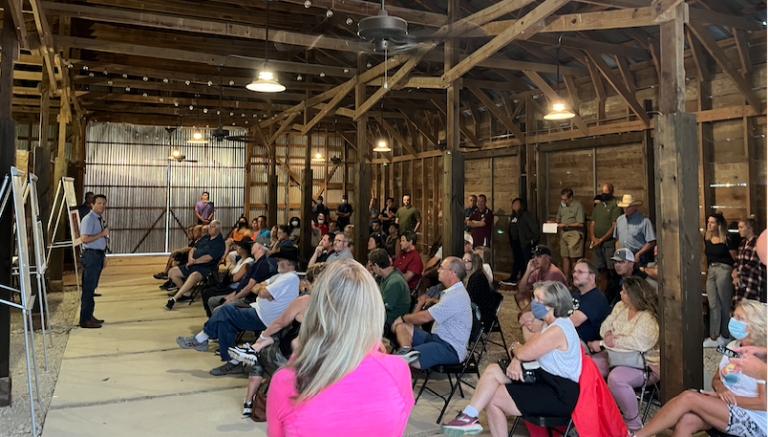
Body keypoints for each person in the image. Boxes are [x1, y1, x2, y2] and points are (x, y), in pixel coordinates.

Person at [266, 260, 415, 437]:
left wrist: (299, 355)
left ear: (316, 309)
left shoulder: (286, 380)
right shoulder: (398, 370)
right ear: (373, 308)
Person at [441, 281, 582, 436]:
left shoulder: (558, 329)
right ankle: (469, 416)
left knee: (493, 397)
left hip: (559, 392)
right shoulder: (548, 324)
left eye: (538, 300)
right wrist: (517, 359)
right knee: (493, 370)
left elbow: (524, 352)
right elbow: (528, 348)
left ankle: (469, 418)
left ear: (553, 304)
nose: (533, 303)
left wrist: (516, 348)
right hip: (544, 378)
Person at [632, 299, 766, 437]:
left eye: (740, 318)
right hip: (725, 406)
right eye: (734, 316)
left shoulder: (762, 357)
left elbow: (763, 403)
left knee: (689, 397)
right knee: (686, 421)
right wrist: (721, 389)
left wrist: (726, 399)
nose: (733, 320)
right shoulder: (732, 346)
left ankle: (637, 435)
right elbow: (716, 379)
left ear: (755, 325)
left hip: (754, 418)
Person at [176, 246, 302, 375]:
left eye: (279, 259)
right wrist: (263, 290)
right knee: (225, 323)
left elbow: (262, 292)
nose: (277, 262)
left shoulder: (289, 278)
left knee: (226, 309)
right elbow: (256, 287)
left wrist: (263, 290)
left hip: (264, 317)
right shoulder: (280, 276)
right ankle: (233, 363)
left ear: (286, 261)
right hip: (257, 310)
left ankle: (201, 338)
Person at [233, 262, 327, 417]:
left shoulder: (303, 301)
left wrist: (262, 336)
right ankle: (255, 348)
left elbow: (280, 322)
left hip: (290, 355)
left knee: (261, 354)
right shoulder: (336, 303)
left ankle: (248, 402)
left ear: (308, 283)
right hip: (319, 356)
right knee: (284, 332)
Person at [588, 277, 659, 433]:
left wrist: (604, 343)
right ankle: (600, 413)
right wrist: (607, 334)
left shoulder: (647, 316)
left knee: (616, 378)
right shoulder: (620, 306)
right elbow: (606, 325)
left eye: (625, 292)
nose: (621, 294)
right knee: (589, 365)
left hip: (644, 363)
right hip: (615, 356)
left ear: (635, 295)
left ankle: (634, 426)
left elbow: (638, 343)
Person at [391, 257, 472, 370]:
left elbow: (426, 317)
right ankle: (407, 353)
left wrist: (403, 317)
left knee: (402, 359)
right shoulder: (453, 291)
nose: (438, 270)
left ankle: (406, 358)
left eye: (441, 268)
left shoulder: (456, 295)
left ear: (452, 273)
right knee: (402, 327)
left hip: (449, 347)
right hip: (436, 338)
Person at [202, 240, 274, 317]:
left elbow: (249, 287)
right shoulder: (256, 263)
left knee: (218, 309)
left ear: (259, 246)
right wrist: (232, 295)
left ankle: (218, 323)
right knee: (211, 301)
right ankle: (216, 322)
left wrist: (234, 297)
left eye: (253, 245)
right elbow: (243, 284)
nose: (251, 247)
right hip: (239, 293)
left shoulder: (262, 264)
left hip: (246, 298)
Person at [166, 220, 226, 310]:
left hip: (207, 268)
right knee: (172, 272)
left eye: (212, 227)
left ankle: (174, 298)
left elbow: (209, 257)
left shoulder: (219, 243)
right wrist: (190, 258)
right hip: (193, 263)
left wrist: (194, 261)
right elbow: (193, 249)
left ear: (218, 229)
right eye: (210, 226)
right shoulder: (205, 238)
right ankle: (186, 293)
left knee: (193, 276)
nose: (209, 228)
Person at [703, 212, 740, 347]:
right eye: (708, 222)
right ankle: (713, 336)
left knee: (724, 303)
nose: (709, 225)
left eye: (712, 222)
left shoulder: (727, 239)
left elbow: (735, 258)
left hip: (724, 269)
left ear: (718, 225)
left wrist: (735, 272)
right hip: (711, 270)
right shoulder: (707, 238)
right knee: (713, 303)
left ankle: (725, 335)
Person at [78, 194, 109, 329]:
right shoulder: (89, 219)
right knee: (88, 288)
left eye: (104, 204)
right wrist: (101, 234)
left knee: (92, 287)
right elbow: (84, 239)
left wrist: (103, 256)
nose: (102, 206)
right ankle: (85, 319)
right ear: (92, 205)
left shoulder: (98, 218)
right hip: (91, 255)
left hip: (97, 254)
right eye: (99, 203)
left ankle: (89, 315)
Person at [201, 239, 254, 316]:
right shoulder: (240, 261)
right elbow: (232, 271)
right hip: (229, 285)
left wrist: (232, 274)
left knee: (207, 292)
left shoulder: (248, 262)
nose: (236, 247)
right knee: (206, 289)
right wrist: (232, 273)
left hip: (235, 288)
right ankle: (211, 315)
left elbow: (236, 278)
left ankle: (212, 316)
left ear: (243, 249)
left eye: (238, 246)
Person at [514, 245, 567, 313]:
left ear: (547, 258)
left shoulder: (554, 272)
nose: (535, 259)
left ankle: (532, 315)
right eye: (534, 256)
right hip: (544, 301)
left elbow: (545, 298)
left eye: (538, 256)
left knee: (537, 300)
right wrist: (528, 271)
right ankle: (532, 315)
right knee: (519, 295)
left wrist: (524, 313)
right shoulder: (537, 271)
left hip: (557, 306)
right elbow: (521, 289)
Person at [568, 258, 610, 343]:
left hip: (581, 343)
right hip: (566, 337)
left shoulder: (596, 298)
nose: (575, 275)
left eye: (580, 272)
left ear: (592, 277)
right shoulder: (573, 293)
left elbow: (574, 322)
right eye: (574, 272)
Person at [369, 248, 411, 330]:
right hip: (386, 316)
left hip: (390, 321)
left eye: (371, 266)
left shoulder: (394, 283)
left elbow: (382, 309)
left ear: (376, 266)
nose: (371, 269)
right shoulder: (391, 273)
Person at [589, 183, 621, 291]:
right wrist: (593, 238)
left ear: (612, 192)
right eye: (603, 192)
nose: (604, 195)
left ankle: (614, 292)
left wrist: (601, 239)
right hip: (597, 244)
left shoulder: (616, 206)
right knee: (601, 270)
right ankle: (604, 293)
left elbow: (614, 226)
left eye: (606, 192)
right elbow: (592, 223)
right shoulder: (598, 206)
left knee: (612, 270)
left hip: (609, 243)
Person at [502, 198, 539, 287]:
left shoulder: (525, 215)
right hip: (515, 242)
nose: (515, 206)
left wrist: (533, 239)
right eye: (513, 204)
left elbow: (534, 227)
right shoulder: (514, 216)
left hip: (525, 242)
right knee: (517, 260)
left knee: (526, 261)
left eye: (517, 204)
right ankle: (514, 278)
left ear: (521, 205)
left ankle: (528, 280)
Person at [550, 188, 585, 283]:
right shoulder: (562, 205)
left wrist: (566, 225)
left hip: (574, 233)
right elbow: (558, 219)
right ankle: (566, 280)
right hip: (564, 233)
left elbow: (580, 223)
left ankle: (575, 280)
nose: (563, 201)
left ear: (571, 198)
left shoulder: (578, 206)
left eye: (565, 199)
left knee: (574, 258)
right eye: (562, 199)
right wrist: (552, 223)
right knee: (564, 256)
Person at [614, 194, 656, 266]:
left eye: (628, 207)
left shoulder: (644, 221)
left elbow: (651, 242)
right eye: (624, 207)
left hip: (638, 257)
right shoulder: (619, 220)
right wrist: (618, 253)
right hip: (623, 256)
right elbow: (618, 239)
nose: (626, 209)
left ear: (635, 206)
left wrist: (639, 254)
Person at [733, 215, 766, 304]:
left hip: (752, 279)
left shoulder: (758, 243)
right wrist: (735, 272)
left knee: (750, 305)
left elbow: (754, 262)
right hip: (741, 281)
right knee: (739, 305)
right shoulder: (742, 243)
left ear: (749, 228)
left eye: (741, 227)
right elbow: (737, 260)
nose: (739, 230)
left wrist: (738, 272)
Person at [463, 250, 495, 329]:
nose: (463, 263)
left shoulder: (476, 277)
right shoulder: (472, 275)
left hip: (481, 314)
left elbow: (469, 299)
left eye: (466, 261)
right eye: (462, 259)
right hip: (475, 309)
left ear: (474, 263)